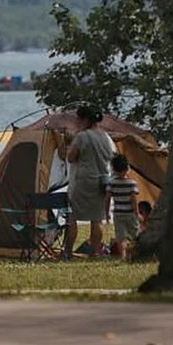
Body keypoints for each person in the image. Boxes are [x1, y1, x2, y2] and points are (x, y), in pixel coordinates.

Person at [65, 104, 115, 258]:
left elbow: (71, 157)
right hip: (102, 181)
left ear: (85, 119)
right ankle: (95, 252)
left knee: (72, 217)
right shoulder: (106, 136)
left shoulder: (82, 137)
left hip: (82, 181)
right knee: (96, 218)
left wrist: (69, 142)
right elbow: (112, 156)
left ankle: (68, 252)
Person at [105, 153, 139, 259]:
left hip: (118, 213)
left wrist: (106, 213)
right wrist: (137, 213)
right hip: (130, 213)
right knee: (135, 234)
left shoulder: (111, 183)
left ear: (114, 170)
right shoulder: (132, 183)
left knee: (120, 236)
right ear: (128, 168)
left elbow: (107, 199)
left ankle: (123, 255)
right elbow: (134, 200)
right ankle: (135, 253)